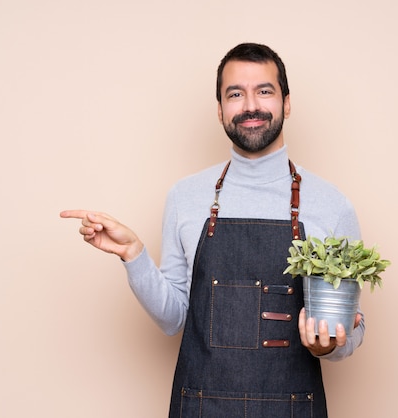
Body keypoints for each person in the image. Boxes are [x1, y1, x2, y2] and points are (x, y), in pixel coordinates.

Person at [61, 42, 364, 418]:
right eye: (235, 94)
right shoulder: (185, 197)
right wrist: (134, 255)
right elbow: (173, 319)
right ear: (220, 110)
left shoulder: (331, 205)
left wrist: (328, 345)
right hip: (202, 407)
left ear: (286, 103)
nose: (250, 105)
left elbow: (351, 329)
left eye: (264, 91)